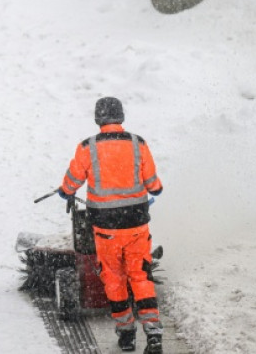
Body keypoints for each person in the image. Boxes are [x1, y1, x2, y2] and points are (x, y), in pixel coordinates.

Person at [56, 97, 164, 353]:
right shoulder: (139, 144)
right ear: (121, 117)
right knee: (140, 276)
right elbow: (154, 184)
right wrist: (154, 189)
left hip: (106, 230)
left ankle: (126, 333)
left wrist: (65, 191)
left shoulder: (87, 147)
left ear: (98, 119)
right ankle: (154, 333)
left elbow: (73, 181)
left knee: (113, 279)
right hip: (137, 226)